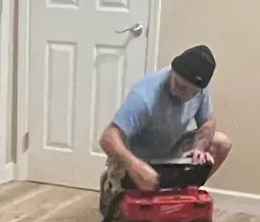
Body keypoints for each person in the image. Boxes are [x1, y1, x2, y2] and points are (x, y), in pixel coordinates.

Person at [99, 44, 231, 213]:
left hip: (171, 147)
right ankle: (114, 185)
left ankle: (182, 196)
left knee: (221, 144)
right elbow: (108, 137)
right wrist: (136, 166)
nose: (184, 95)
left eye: (192, 92)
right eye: (181, 86)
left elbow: (208, 121)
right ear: (172, 72)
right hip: (137, 155)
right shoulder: (144, 97)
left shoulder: (200, 88)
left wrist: (200, 148)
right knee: (137, 208)